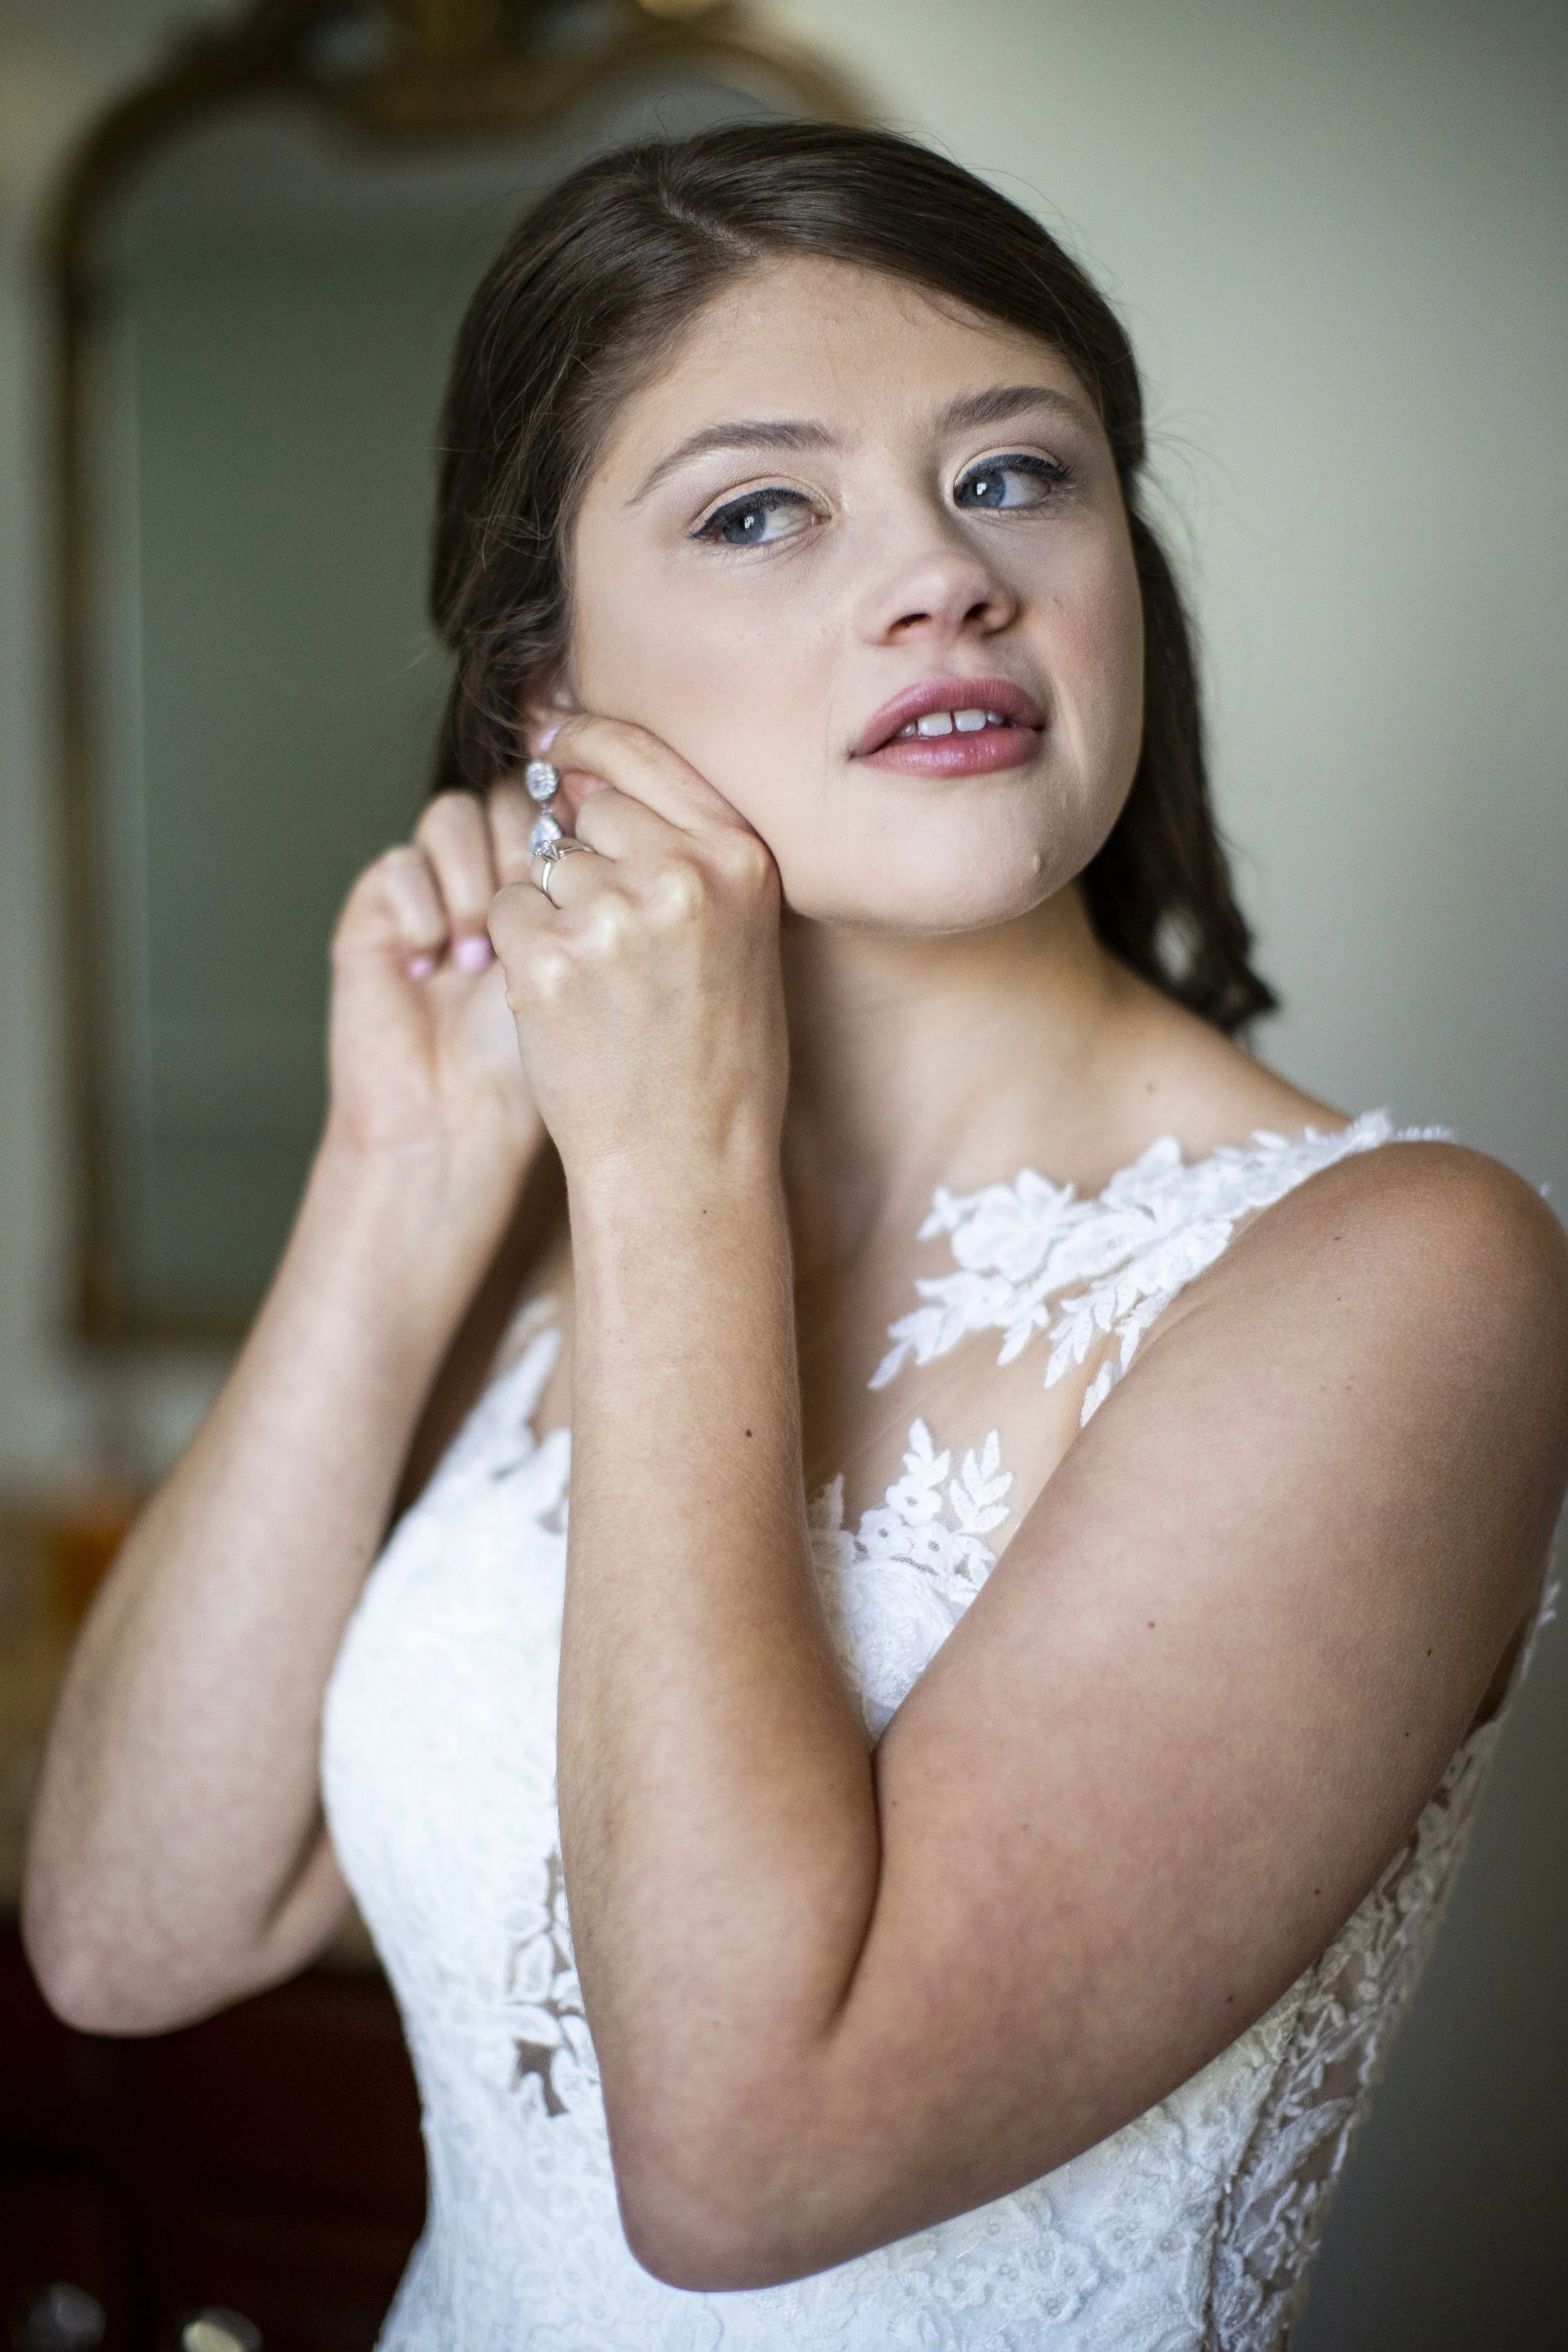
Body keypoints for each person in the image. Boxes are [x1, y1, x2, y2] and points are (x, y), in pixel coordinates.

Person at [23, 124, 1568, 2349]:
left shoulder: (1403, 1284)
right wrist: (400, 1171)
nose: (943, 574)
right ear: (547, 705)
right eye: (761, 509)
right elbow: (127, 1927)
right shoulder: (527, 1250)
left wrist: (671, 1174)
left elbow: (752, 2160)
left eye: (1015, 474)